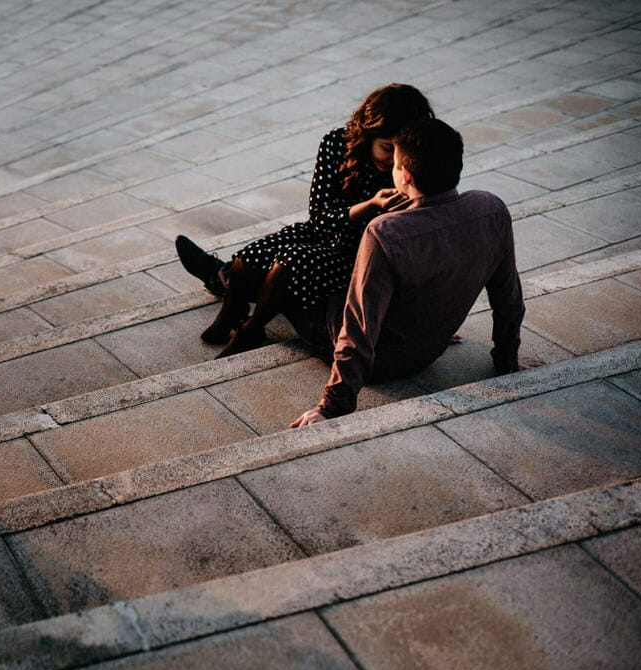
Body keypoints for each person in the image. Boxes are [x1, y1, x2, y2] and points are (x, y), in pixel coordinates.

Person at [289, 117, 526, 428]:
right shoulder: (490, 208)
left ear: (406, 174)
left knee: (296, 275)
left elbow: (359, 326)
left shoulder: (385, 232)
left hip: (379, 363)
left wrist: (332, 407)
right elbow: (508, 297)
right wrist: (508, 361)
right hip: (429, 351)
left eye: (395, 163)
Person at [177, 83, 434, 358]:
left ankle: (251, 328)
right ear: (369, 133)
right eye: (386, 148)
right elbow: (319, 217)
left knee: (291, 261)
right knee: (247, 258)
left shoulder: (409, 170)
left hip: (357, 256)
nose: (394, 159)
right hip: (323, 230)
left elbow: (415, 242)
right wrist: (368, 206)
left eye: (399, 151)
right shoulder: (337, 143)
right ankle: (232, 306)